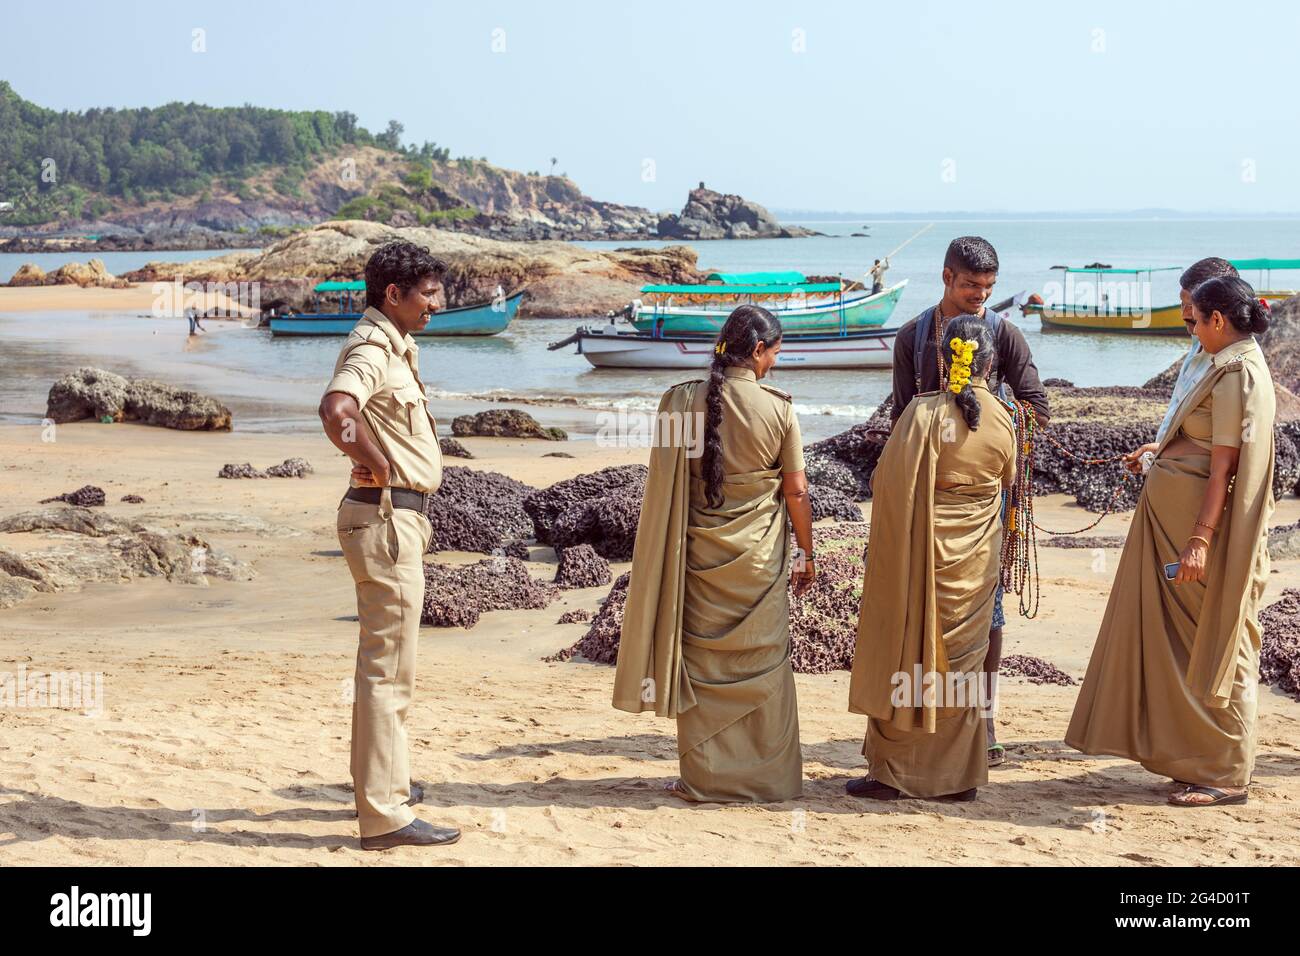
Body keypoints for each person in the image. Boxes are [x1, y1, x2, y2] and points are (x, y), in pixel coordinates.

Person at [1065, 276, 1276, 807]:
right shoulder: (1231, 364)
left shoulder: (1235, 373)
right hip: (1175, 523)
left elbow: (1225, 469)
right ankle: (1196, 759)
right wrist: (1165, 449)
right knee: (1185, 644)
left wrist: (1200, 540)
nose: (1193, 331)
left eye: (1195, 321)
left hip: (1200, 534)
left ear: (1218, 321)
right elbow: (1206, 445)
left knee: (1219, 640)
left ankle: (1225, 773)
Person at [613, 304, 815, 803]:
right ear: (757, 351)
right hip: (759, 560)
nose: (774, 365)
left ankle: (703, 779)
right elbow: (796, 493)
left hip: (697, 558)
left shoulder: (681, 403)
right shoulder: (779, 408)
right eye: (774, 355)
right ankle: (769, 780)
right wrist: (807, 553)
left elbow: (666, 484)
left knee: (703, 665)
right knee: (762, 661)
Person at [318, 241, 459, 849]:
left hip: (392, 519)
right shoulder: (371, 348)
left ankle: (387, 783)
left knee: (390, 666)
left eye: (438, 291)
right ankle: (384, 815)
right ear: (392, 295)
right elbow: (336, 409)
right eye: (427, 292)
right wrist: (374, 463)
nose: (438, 303)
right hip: (385, 519)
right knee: (387, 672)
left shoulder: (396, 347)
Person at [889, 236, 1050, 766]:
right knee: (919, 601)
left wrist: (987, 412)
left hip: (985, 501)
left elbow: (1037, 408)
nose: (980, 294)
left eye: (988, 287)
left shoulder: (1006, 336)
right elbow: (898, 420)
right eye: (970, 284)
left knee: (990, 606)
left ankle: (983, 716)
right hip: (922, 495)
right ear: (946, 277)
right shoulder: (912, 336)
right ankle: (925, 714)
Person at [845, 316, 1015, 801]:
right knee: (964, 663)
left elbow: (886, 484)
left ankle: (892, 774)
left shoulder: (922, 415)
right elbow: (1007, 484)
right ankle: (958, 777)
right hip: (977, 562)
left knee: (911, 651)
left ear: (944, 360)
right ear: (990, 362)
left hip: (922, 559)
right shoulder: (1004, 419)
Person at [1123, 257, 1240, 475]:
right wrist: (1156, 455)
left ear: (1215, 313)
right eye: (1182, 303)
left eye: (1191, 306)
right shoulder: (1197, 344)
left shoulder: (1230, 367)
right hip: (1170, 473)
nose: (1184, 314)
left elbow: (1222, 454)